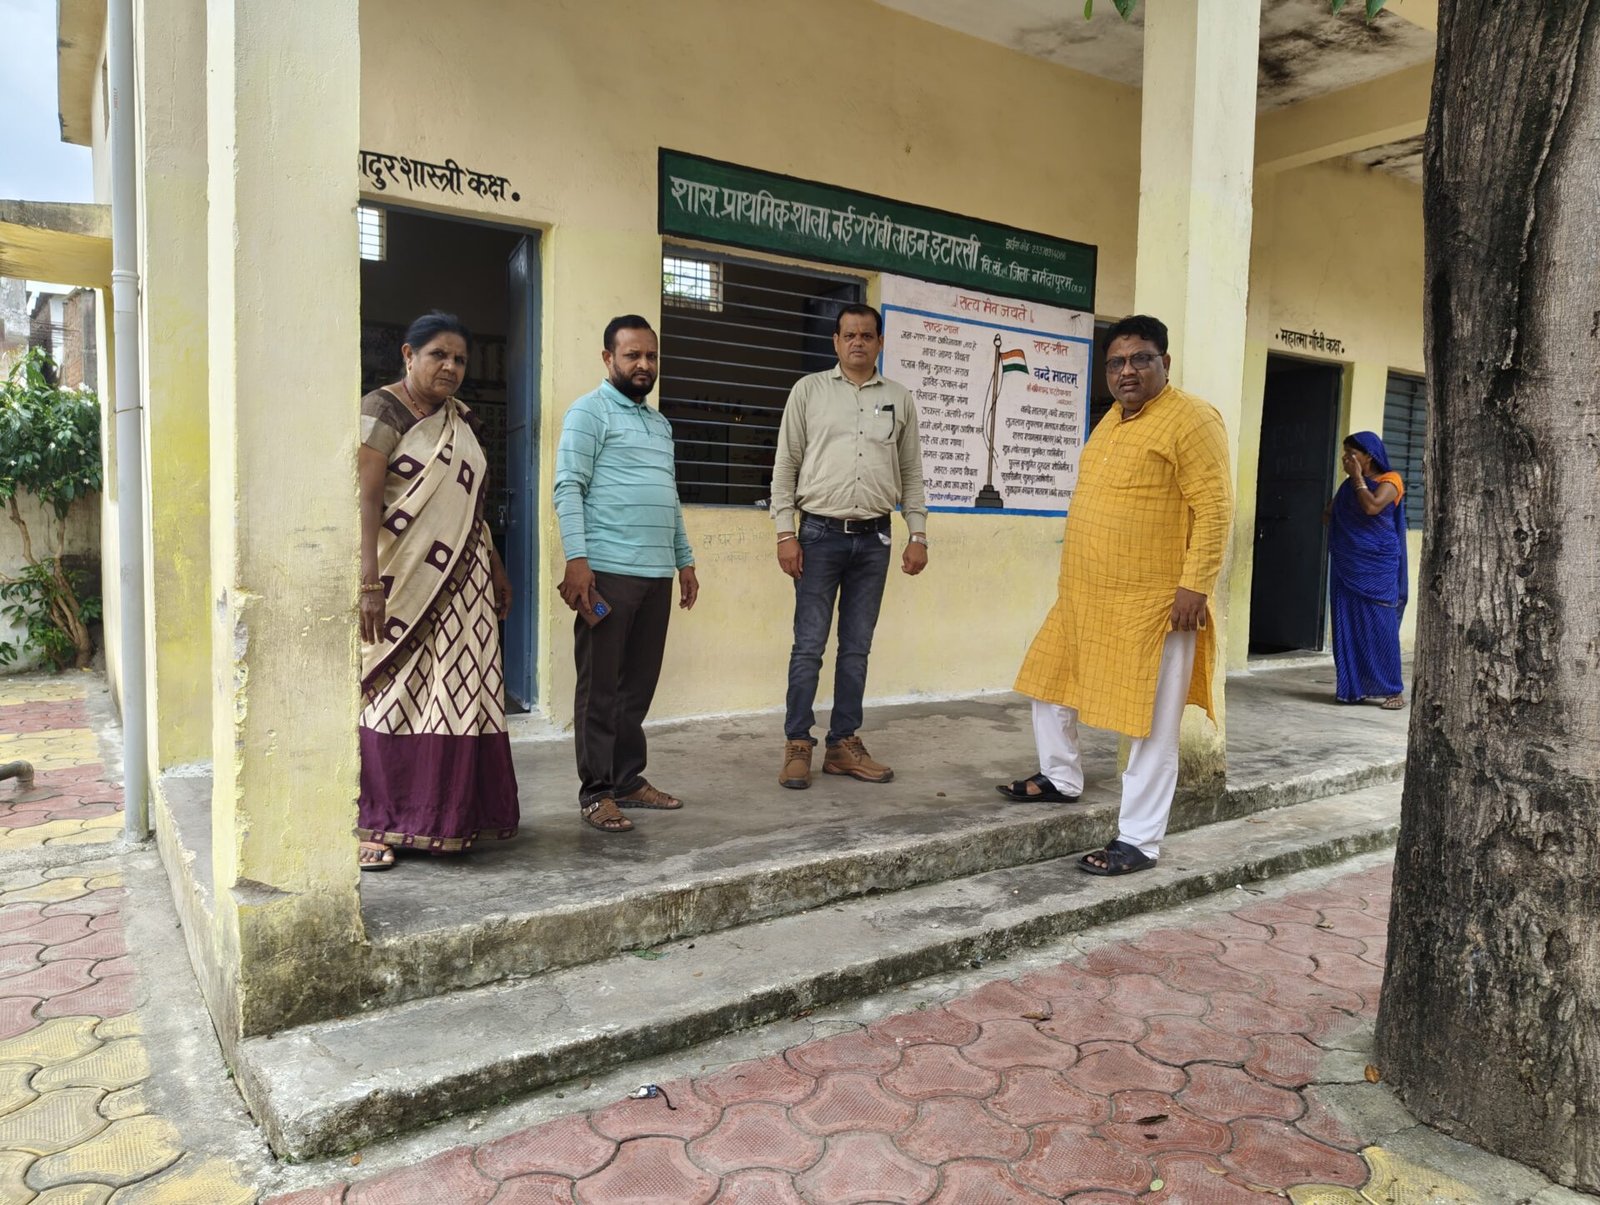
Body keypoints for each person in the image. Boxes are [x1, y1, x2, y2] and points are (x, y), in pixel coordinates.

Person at [1000, 314, 1233, 877]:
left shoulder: (1193, 418)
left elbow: (1216, 509)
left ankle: (1140, 841)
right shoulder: (1112, 419)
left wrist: (1194, 587)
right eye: (1116, 363)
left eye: (1140, 359)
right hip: (1085, 593)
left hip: (1157, 603)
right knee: (1049, 682)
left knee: (1151, 724)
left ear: (1165, 363)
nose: (1127, 371)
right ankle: (1061, 777)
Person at [357, 311, 519, 871]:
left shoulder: (461, 422)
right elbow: (366, 500)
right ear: (408, 355)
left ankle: (448, 817)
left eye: (459, 359)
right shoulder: (381, 409)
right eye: (438, 356)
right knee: (393, 694)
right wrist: (368, 582)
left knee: (457, 696)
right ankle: (375, 821)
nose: (450, 367)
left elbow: (470, 507)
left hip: (466, 583)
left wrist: (496, 563)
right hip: (402, 581)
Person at [770, 303, 929, 790]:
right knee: (809, 647)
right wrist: (784, 532)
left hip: (875, 538)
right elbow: (785, 465)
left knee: (856, 648)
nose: (858, 342)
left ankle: (843, 745)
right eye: (849, 335)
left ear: (880, 343)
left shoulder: (900, 399)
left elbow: (911, 474)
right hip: (816, 536)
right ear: (836, 343)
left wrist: (917, 534)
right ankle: (799, 742)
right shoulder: (808, 392)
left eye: (867, 335)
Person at [554, 315, 699, 834]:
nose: (643, 365)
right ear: (608, 358)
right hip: (606, 574)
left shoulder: (659, 425)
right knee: (600, 688)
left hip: (655, 574)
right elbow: (568, 486)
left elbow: (670, 498)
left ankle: (628, 779)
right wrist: (578, 560)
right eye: (632, 355)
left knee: (637, 685)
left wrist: (684, 560)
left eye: (651, 356)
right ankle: (596, 792)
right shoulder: (588, 413)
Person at [1326, 431, 1408, 709]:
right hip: (1348, 563)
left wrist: (1358, 479)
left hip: (1378, 565)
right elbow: (1329, 515)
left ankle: (1393, 690)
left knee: (1381, 625)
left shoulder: (1391, 481)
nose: (1346, 459)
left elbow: (1373, 508)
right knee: (1347, 624)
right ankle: (1353, 688)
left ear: (1368, 456)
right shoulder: (1349, 487)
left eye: (1352, 454)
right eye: (1344, 454)